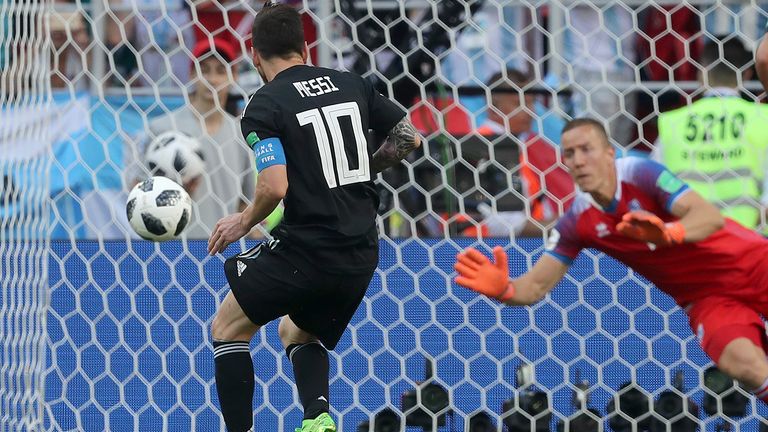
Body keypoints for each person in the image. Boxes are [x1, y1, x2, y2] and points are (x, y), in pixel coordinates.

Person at [206, 3, 421, 432]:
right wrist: (365, 167)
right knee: (297, 333)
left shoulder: (264, 106)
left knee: (227, 328)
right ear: (305, 46)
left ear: (253, 53)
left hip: (308, 250)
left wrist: (243, 221)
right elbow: (409, 137)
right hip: (360, 254)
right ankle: (317, 417)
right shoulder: (352, 83)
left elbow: (273, 186)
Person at [454, 117, 768, 407]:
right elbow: (535, 285)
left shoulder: (640, 173)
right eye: (569, 153)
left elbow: (708, 217)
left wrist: (669, 233)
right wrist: (505, 289)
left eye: (586, 150)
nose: (578, 160)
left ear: (609, 153)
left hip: (751, 263)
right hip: (706, 298)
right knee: (740, 363)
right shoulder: (577, 220)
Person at [126, 37, 256, 239]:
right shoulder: (162, 128)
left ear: (234, 77)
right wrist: (174, 193)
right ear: (191, 74)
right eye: (204, 70)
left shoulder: (242, 133)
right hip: (173, 247)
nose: (212, 79)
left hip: (223, 249)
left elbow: (246, 202)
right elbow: (138, 192)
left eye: (221, 71)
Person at [653, 37, 768, 231]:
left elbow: (654, 184)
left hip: (691, 242)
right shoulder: (762, 117)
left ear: (702, 73)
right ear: (747, 75)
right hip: (749, 242)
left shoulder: (672, 122)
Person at [474, 68, 574, 237]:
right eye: (519, 103)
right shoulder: (483, 146)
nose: (530, 111)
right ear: (494, 105)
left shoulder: (530, 144)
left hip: (532, 242)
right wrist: (568, 225)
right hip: (491, 248)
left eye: (531, 102)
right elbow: (501, 224)